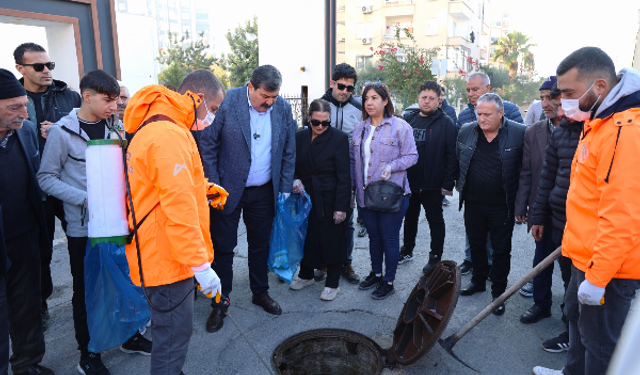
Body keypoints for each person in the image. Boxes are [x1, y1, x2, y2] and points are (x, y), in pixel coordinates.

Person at [532, 47, 640, 375]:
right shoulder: (598, 122)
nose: (562, 100)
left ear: (600, 87)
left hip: (609, 269)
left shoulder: (624, 132)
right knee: (578, 324)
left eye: (568, 93)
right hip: (584, 254)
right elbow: (587, 198)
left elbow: (621, 214)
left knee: (600, 344)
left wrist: (597, 278)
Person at [37, 70, 151, 375]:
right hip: (84, 228)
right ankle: (88, 352)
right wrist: (85, 198)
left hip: (119, 222)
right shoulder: (62, 133)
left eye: (116, 100)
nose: (114, 106)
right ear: (87, 97)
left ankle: (130, 336)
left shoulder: (117, 128)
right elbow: (46, 178)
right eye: (108, 100)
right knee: (88, 291)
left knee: (124, 281)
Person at [123, 83, 223, 375]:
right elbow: (178, 209)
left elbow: (161, 189)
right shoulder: (168, 135)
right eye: (213, 109)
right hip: (166, 258)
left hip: (157, 250)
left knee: (170, 335)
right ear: (200, 99)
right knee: (172, 339)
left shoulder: (155, 128)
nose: (211, 117)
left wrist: (201, 189)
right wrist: (200, 265)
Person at [200, 65, 296, 332]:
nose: (270, 102)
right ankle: (220, 302)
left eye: (274, 97)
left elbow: (289, 150)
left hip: (264, 191)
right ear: (250, 87)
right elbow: (208, 145)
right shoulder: (226, 102)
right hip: (227, 190)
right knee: (224, 248)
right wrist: (214, 186)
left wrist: (284, 189)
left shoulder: (283, 109)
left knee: (260, 245)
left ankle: (260, 292)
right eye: (265, 96)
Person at [14, 42, 81, 324]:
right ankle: (40, 303)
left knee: (80, 244)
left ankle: (86, 295)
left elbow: (84, 134)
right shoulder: (12, 98)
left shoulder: (70, 97)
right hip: (29, 189)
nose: (46, 71)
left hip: (65, 185)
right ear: (21, 68)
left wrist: (60, 132)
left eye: (49, 65)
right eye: (38, 66)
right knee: (37, 251)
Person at [0, 68, 54, 375]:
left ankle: (27, 365)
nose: (24, 112)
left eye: (24, 104)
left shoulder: (26, 131)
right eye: (14, 107)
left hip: (24, 237)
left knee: (27, 307)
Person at [457, 93, 525, 316]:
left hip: (501, 206)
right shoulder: (467, 130)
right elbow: (460, 160)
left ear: (501, 113)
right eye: (479, 113)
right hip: (474, 203)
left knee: (501, 250)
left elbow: (526, 171)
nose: (482, 118)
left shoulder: (518, 133)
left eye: (487, 114)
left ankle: (499, 293)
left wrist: (521, 205)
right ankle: (478, 281)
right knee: (476, 245)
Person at [529, 85, 583, 354]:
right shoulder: (560, 134)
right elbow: (546, 179)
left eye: (562, 104)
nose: (558, 111)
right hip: (559, 223)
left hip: (586, 229)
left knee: (582, 287)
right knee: (568, 279)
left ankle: (579, 339)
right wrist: (538, 216)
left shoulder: (595, 133)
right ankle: (571, 331)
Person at [352, 82, 418, 300]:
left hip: (392, 196)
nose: (369, 103)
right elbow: (355, 161)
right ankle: (376, 273)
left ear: (385, 101)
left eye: (374, 98)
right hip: (365, 195)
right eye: (366, 99)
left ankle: (388, 281)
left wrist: (392, 166)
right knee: (374, 238)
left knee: (389, 239)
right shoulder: (360, 128)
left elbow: (412, 156)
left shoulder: (400, 126)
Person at [288, 99, 350, 301]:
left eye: (325, 122)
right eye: (316, 122)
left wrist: (341, 207)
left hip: (330, 197)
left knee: (331, 240)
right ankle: (306, 275)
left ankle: (333, 283)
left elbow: (344, 176)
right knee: (306, 237)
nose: (321, 126)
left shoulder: (339, 138)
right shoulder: (299, 137)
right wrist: (294, 179)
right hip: (305, 196)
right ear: (308, 118)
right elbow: (291, 164)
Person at [515, 78, 564, 322]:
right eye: (541, 97)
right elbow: (527, 172)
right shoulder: (533, 132)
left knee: (570, 268)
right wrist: (522, 205)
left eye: (549, 97)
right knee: (541, 261)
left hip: (569, 214)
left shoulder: (580, 130)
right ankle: (541, 304)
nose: (544, 103)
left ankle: (570, 313)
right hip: (541, 210)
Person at [399, 81, 457, 274]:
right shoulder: (409, 119)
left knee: (435, 220)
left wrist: (447, 184)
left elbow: (452, 156)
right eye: (424, 97)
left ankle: (435, 257)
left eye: (432, 98)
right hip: (410, 183)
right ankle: (407, 250)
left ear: (439, 100)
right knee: (410, 218)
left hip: (433, 184)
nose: (427, 101)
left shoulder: (446, 123)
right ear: (418, 98)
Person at [320, 63, 362, 284]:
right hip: (322, 172)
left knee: (347, 220)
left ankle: (346, 262)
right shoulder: (320, 104)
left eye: (350, 88)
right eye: (342, 86)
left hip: (347, 173)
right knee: (322, 218)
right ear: (332, 83)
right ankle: (322, 262)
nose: (345, 91)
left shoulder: (358, 108)